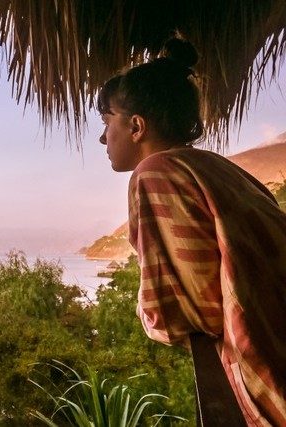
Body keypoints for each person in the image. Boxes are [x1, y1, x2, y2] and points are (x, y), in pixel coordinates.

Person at [98, 35, 286, 426]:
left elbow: (181, 315)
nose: (102, 137)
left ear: (136, 126)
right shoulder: (219, 168)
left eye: (106, 121)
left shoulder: (156, 175)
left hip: (270, 372)